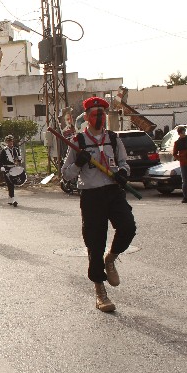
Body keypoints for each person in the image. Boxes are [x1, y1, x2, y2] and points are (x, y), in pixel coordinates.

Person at [61, 97, 136, 313]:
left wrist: (123, 173)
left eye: (102, 113)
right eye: (95, 114)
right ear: (86, 117)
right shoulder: (78, 142)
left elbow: (123, 163)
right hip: (92, 196)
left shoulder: (113, 139)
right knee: (95, 243)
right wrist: (79, 162)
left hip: (113, 191)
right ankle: (100, 290)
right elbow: (66, 175)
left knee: (128, 227)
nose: (100, 117)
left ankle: (111, 258)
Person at [0, 135, 22, 207]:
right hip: (7, 169)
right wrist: (2, 167)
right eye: (8, 141)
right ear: (6, 142)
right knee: (10, 183)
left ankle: (10, 198)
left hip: (14, 168)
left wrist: (20, 159)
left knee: (13, 183)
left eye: (11, 141)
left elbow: (19, 159)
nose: (10, 143)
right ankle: (12, 198)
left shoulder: (16, 149)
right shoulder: (4, 151)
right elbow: (0, 161)